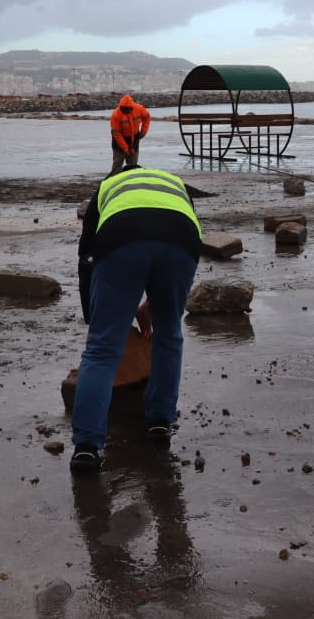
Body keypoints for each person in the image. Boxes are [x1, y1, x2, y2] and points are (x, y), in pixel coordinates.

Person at [70, 166, 202, 474]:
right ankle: (159, 421)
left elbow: (87, 257)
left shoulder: (106, 187)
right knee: (169, 333)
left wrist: (96, 320)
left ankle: (87, 447)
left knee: (102, 350)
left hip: (121, 240)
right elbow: (174, 243)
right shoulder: (173, 182)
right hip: (182, 241)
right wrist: (153, 305)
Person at [108, 95, 151, 176]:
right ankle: (114, 180)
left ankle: (131, 182)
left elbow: (147, 118)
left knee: (133, 166)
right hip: (119, 142)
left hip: (134, 139)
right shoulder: (115, 115)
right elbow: (117, 134)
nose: (125, 111)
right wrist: (126, 149)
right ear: (120, 107)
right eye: (123, 109)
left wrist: (143, 132)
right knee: (117, 165)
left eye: (127, 109)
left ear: (131, 108)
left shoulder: (139, 109)